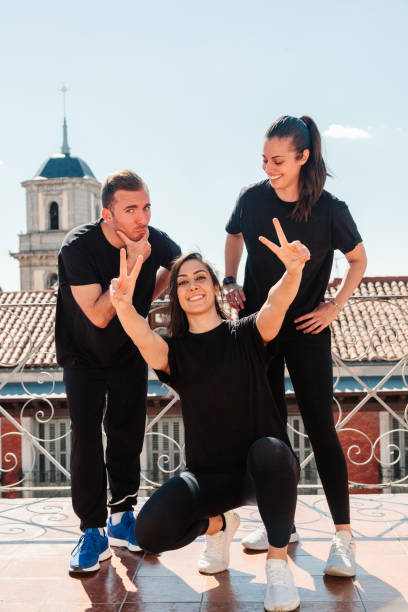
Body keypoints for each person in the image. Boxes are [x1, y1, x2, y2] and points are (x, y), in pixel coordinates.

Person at [109, 219, 310, 612]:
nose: (192, 285)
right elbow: (142, 336)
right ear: (176, 296)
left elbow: (276, 302)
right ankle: (220, 526)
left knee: (271, 450)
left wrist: (294, 270)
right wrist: (121, 305)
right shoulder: (175, 353)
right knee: (149, 531)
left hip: (262, 471)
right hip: (206, 477)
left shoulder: (249, 335)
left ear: (216, 287)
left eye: (200, 277)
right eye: (182, 282)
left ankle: (277, 568)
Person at [224, 115, 367, 577]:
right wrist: (230, 280)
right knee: (269, 432)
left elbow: (359, 259)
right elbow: (233, 235)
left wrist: (334, 307)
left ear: (304, 157)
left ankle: (343, 538)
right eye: (265, 160)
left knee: (321, 430)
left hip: (307, 330)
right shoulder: (251, 199)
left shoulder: (330, 208)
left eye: (279, 160)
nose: (270, 168)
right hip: (260, 330)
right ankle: (280, 524)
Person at [55, 169, 181, 573]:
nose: (141, 218)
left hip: (129, 353)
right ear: (107, 214)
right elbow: (97, 314)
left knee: (127, 430)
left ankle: (122, 517)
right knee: (87, 437)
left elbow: (179, 266)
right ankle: (91, 530)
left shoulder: (152, 239)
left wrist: (149, 289)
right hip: (83, 356)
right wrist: (130, 276)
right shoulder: (78, 247)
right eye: (131, 210)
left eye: (145, 207)